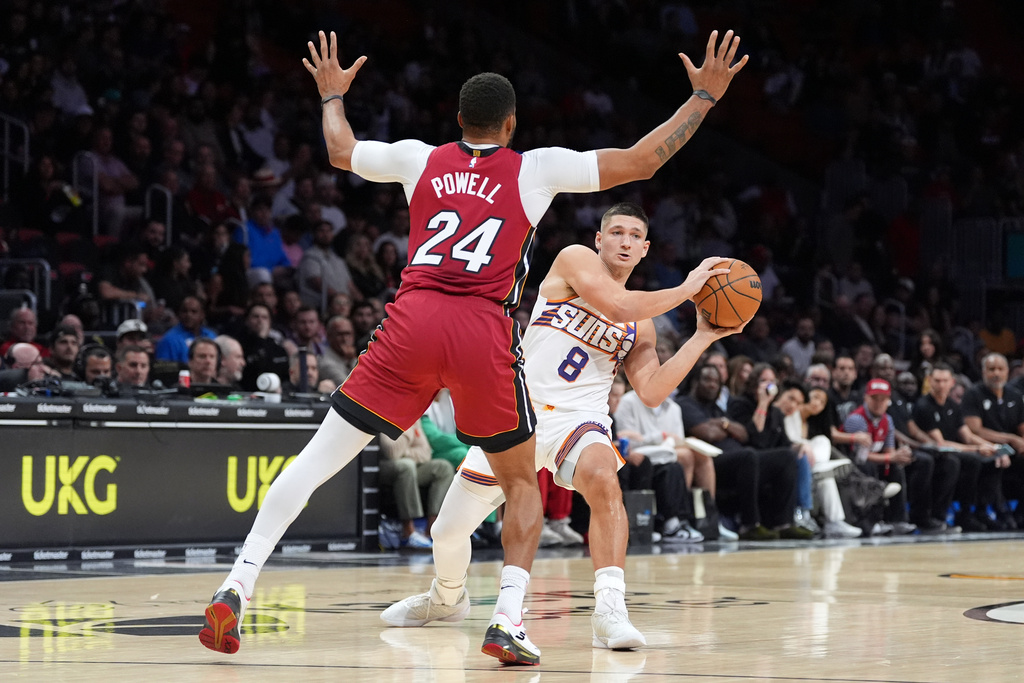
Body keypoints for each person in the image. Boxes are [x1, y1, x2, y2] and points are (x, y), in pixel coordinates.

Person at [200, 28, 748, 662]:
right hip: (481, 327)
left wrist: (329, 96)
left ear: (457, 120)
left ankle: (237, 582)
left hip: (412, 317)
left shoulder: (418, 158)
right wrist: (704, 98)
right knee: (521, 487)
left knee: (317, 460)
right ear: (511, 125)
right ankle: (507, 621)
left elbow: (341, 150)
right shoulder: (534, 167)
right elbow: (643, 159)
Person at [379, 203, 742, 654]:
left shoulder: (642, 321)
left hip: (580, 418)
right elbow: (616, 303)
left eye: (634, 236)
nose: (625, 241)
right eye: (616, 232)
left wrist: (702, 337)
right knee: (447, 532)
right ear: (599, 239)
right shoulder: (574, 261)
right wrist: (689, 288)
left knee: (604, 480)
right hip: (519, 411)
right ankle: (447, 597)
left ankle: (609, 610)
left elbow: (649, 390)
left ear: (645, 249)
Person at [961, 353, 1023, 529]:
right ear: (983, 372)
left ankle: (1020, 512)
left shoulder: (1015, 395)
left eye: (1000, 369)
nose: (996, 373)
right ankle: (992, 511)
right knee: (995, 460)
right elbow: (975, 429)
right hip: (984, 446)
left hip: (1011, 449)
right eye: (991, 369)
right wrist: (1010, 440)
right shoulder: (973, 394)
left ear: (1007, 372)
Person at [378, 418, 456, 549]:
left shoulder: (414, 416)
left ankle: (431, 531)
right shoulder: (386, 413)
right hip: (382, 465)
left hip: (409, 464)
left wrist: (405, 452)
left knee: (443, 467)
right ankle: (408, 533)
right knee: (406, 466)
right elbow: (392, 452)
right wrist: (406, 425)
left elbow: (426, 453)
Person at [155, 296, 218, 363]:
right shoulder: (168, 340)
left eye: (194, 312)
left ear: (202, 315)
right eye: (184, 311)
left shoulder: (211, 336)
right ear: (179, 314)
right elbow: (162, 371)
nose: (188, 315)